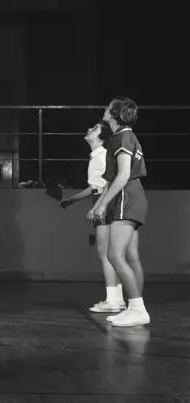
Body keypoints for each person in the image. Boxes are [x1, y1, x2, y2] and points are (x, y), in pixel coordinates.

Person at [87, 97, 149, 327]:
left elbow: (123, 175)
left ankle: (137, 308)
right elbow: (111, 179)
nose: (103, 109)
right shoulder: (120, 137)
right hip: (130, 197)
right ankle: (134, 306)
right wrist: (98, 204)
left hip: (127, 198)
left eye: (107, 107)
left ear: (114, 113)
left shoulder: (122, 136)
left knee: (114, 255)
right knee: (129, 257)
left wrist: (103, 205)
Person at [60, 122, 126, 313]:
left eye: (95, 128)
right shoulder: (97, 156)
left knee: (105, 253)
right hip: (102, 199)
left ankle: (113, 300)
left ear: (101, 137)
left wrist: (98, 206)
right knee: (109, 253)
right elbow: (95, 186)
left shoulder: (102, 155)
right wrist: (72, 200)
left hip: (105, 201)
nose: (89, 129)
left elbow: (107, 184)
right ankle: (117, 299)